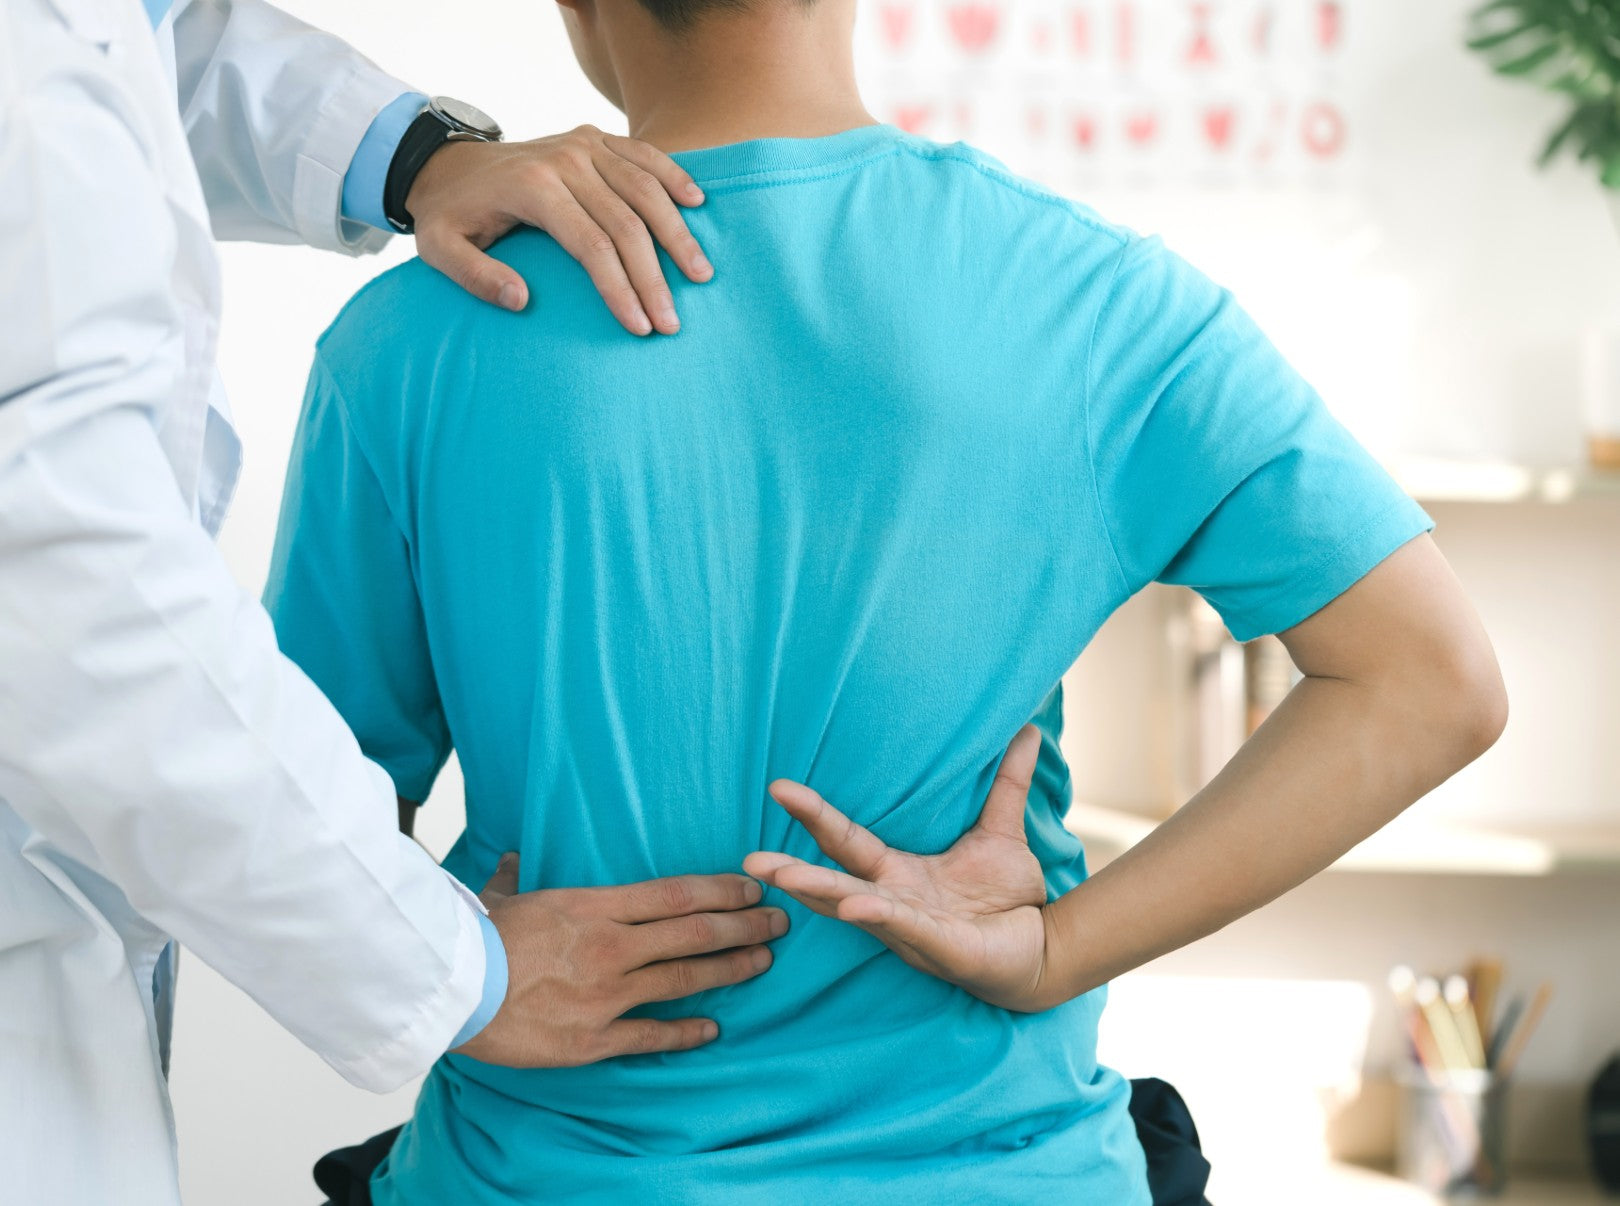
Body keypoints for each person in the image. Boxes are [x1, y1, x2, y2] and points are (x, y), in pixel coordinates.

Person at [264, 0, 1508, 1199]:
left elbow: (290, 815)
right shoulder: (1100, 299)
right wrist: (1055, 952)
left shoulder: (408, 337)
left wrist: (458, 969)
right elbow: (1431, 682)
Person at [0, 3, 798, 1204]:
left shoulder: (413, 343)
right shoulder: (1080, 291)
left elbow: (146, 40)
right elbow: (68, 587)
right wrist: (445, 965)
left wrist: (418, 153)